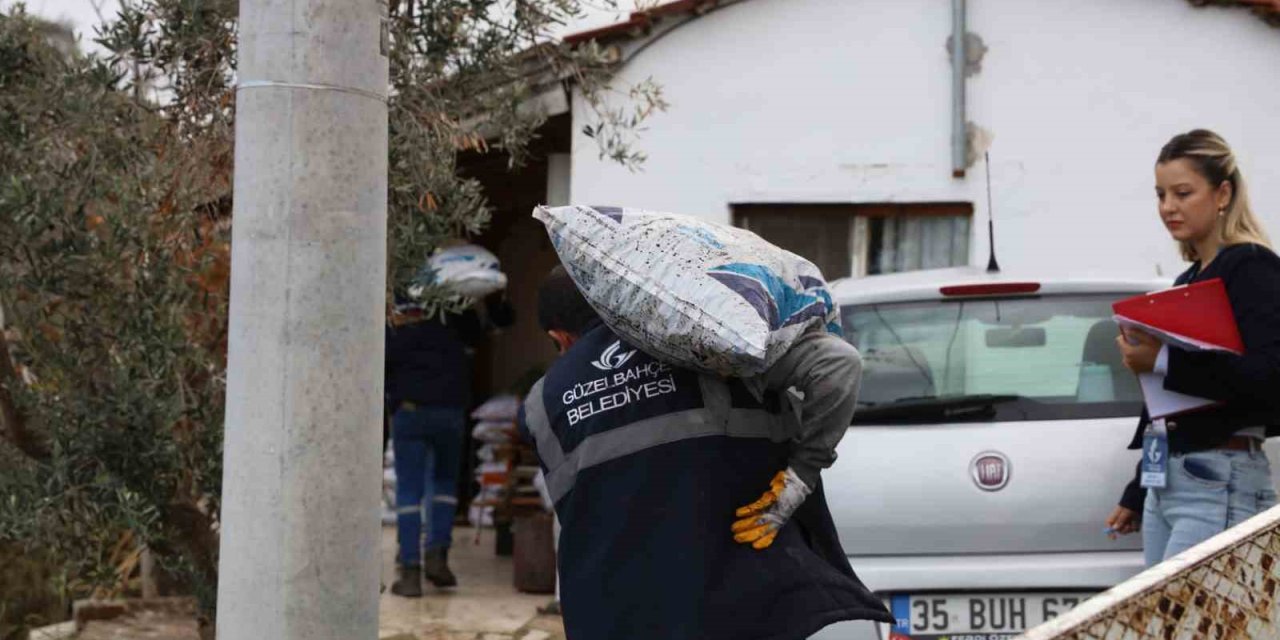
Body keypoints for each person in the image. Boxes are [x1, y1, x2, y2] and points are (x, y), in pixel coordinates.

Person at [518, 266, 892, 639]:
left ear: (559, 337)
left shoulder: (540, 404)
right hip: (748, 602)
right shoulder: (711, 339)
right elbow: (840, 364)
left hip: (616, 614)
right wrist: (801, 475)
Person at [1107, 129, 1280, 566]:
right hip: (1167, 483)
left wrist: (1162, 359)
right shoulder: (1186, 283)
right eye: (1161, 194)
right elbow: (1169, 409)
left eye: (1183, 193)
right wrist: (1138, 487)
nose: (1168, 207)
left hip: (1220, 478)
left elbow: (1267, 378)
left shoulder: (1252, 266)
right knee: (1169, 627)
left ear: (1223, 193)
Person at [385, 292, 512, 597]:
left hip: (411, 413)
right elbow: (492, 329)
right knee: (444, 486)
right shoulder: (460, 320)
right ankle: (438, 558)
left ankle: (411, 571)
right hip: (450, 414)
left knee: (408, 491)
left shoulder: (401, 323)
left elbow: (385, 362)